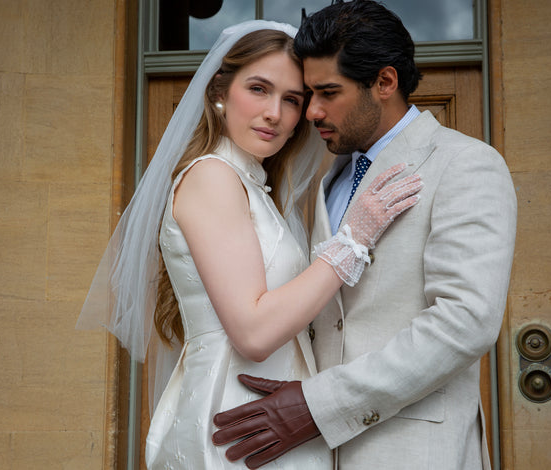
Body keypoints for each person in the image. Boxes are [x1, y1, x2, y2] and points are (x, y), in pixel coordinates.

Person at [77, 19, 423, 469]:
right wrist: (353, 240)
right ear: (219, 90)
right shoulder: (211, 177)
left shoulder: (253, 186)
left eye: (292, 100)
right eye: (259, 89)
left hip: (269, 420)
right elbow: (253, 332)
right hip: (235, 425)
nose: (275, 114)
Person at [212, 2, 518, 470]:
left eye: (328, 92)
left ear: (385, 82)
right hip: (313, 455)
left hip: (414, 451)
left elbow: (464, 322)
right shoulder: (329, 177)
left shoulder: (465, 164)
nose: (311, 111)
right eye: (309, 93)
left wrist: (318, 405)